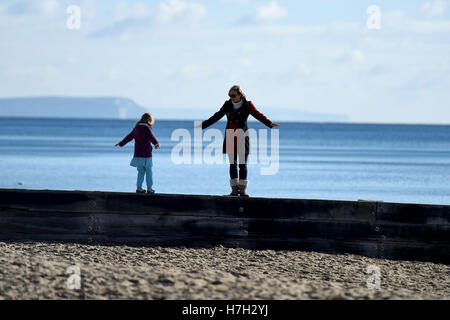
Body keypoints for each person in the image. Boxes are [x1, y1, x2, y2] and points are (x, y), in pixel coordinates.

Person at [195, 85, 279, 197]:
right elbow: (217, 116)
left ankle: (243, 191)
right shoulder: (227, 104)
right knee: (232, 164)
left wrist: (269, 123)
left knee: (242, 164)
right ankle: (234, 190)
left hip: (242, 135)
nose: (231, 97)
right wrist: (202, 125)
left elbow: (257, 114)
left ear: (240, 95)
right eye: (229, 95)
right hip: (230, 135)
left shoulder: (248, 105)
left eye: (233, 95)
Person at [116, 113, 160, 194]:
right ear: (150, 120)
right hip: (146, 155)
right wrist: (156, 143)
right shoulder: (147, 128)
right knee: (149, 171)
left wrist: (121, 143)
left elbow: (129, 137)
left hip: (138, 154)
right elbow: (151, 136)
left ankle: (139, 188)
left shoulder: (136, 128)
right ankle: (149, 188)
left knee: (140, 172)